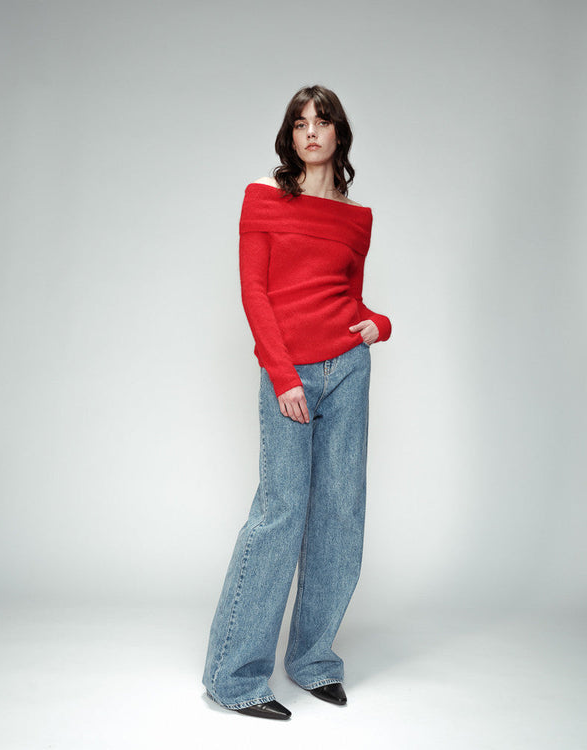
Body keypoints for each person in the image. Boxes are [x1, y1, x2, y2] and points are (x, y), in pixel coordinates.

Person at [202, 84, 392, 720]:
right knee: (280, 513)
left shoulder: (357, 217)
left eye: (323, 121)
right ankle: (234, 677)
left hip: (348, 369)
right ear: (290, 136)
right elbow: (255, 293)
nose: (312, 131)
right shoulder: (264, 195)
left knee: (341, 514)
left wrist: (378, 324)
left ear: (339, 134)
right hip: (291, 374)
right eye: (300, 122)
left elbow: (349, 298)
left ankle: (312, 661)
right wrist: (283, 376)